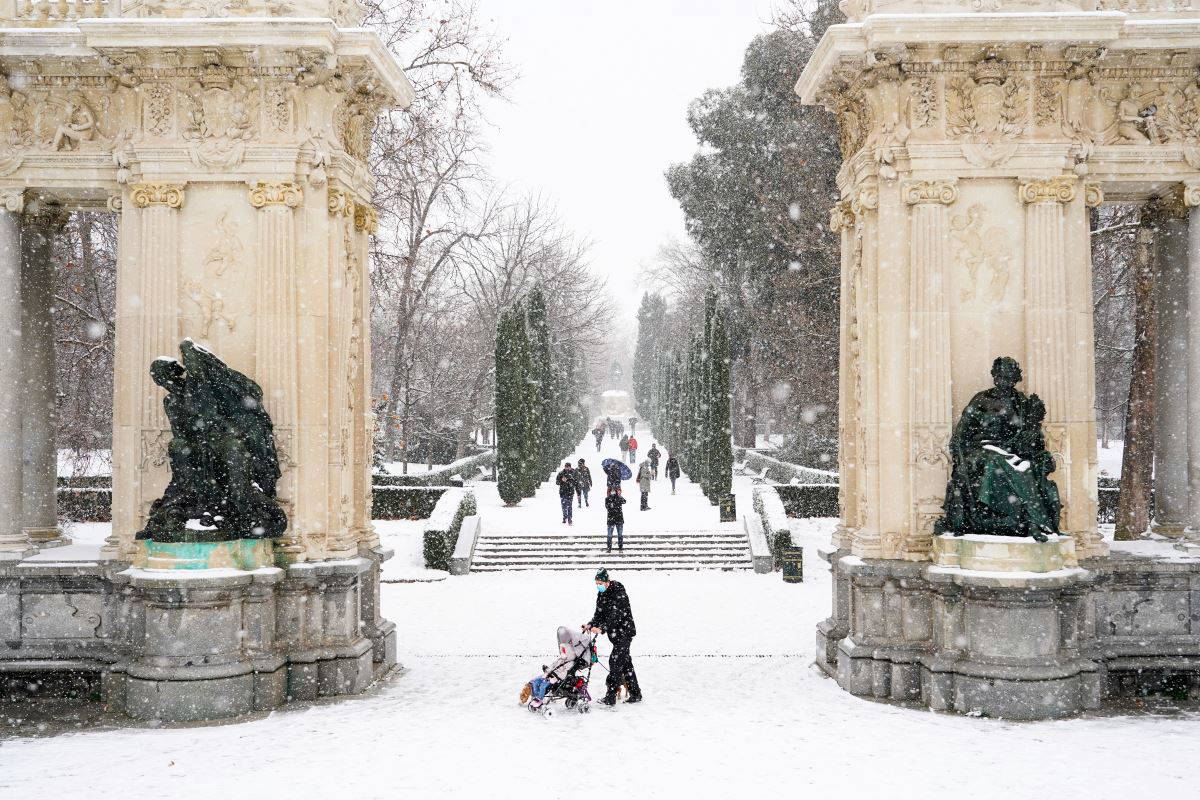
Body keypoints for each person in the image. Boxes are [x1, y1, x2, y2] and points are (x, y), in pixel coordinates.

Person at [587, 568, 641, 706]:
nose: (598, 586)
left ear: (607, 582)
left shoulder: (618, 592)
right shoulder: (602, 594)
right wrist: (590, 624)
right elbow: (599, 614)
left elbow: (616, 615)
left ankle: (610, 697)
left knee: (615, 661)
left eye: (600, 583)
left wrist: (602, 628)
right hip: (615, 635)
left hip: (624, 632)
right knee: (626, 663)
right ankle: (636, 694)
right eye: (596, 583)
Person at [604, 486, 626, 552]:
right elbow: (607, 506)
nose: (613, 492)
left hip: (619, 518)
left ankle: (620, 548)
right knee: (609, 535)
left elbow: (624, 501)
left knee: (620, 534)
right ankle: (609, 548)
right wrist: (613, 504)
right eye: (611, 491)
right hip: (611, 519)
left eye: (614, 491)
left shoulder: (619, 498)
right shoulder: (607, 498)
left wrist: (619, 496)